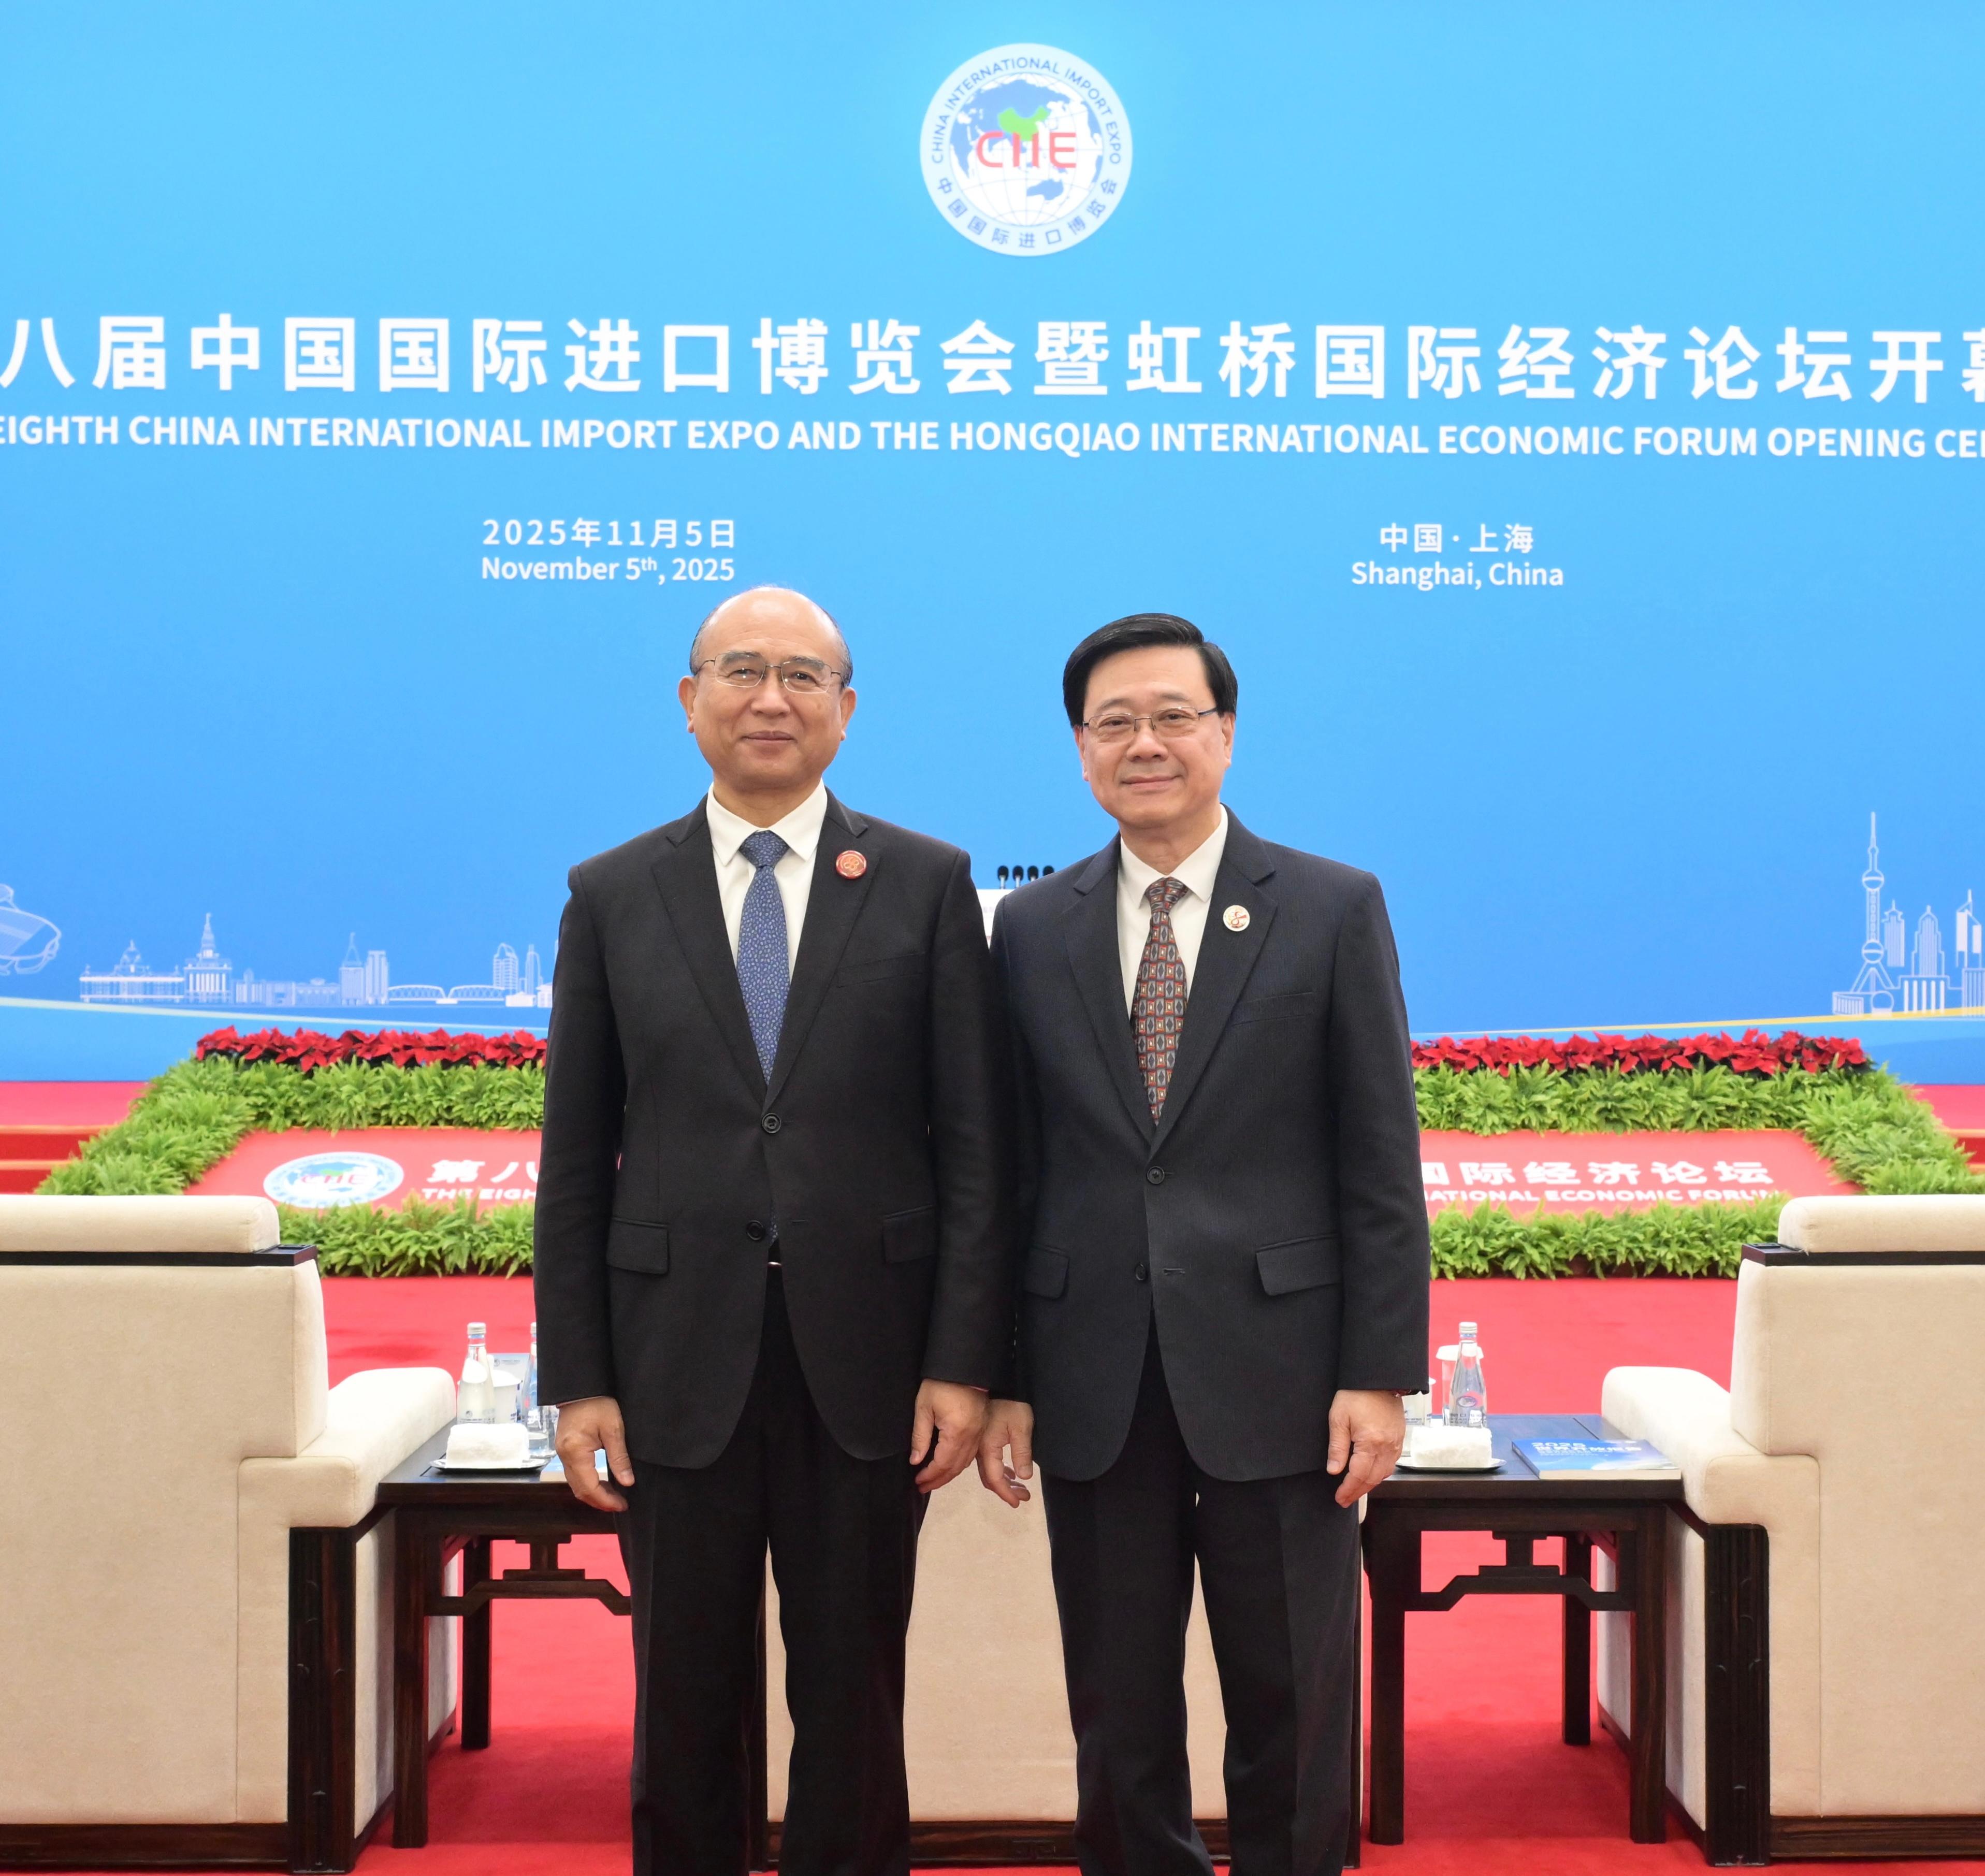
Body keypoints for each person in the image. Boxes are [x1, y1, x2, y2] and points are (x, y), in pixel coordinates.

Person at [534, 585, 1010, 1876]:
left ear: (846, 713)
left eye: (804, 676)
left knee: (854, 1692)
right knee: (684, 1692)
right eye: (739, 671)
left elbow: (975, 1147)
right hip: (672, 1355)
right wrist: (577, 1376)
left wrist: (963, 1360)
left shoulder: (924, 882)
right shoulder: (613, 891)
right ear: (689, 701)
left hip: (867, 1361)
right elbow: (576, 1159)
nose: (770, 697)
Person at [978, 612, 1429, 1876]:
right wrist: (1006, 1369)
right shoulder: (1035, 927)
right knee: (1118, 1703)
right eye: (1115, 722)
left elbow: (1378, 1161)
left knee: (1290, 1692)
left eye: (1174, 715)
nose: (1147, 743)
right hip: (1092, 1370)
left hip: (1286, 1373)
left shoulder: (1332, 906)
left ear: (1224, 733)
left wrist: (1379, 1371)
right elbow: (1013, 1172)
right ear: (1080, 750)